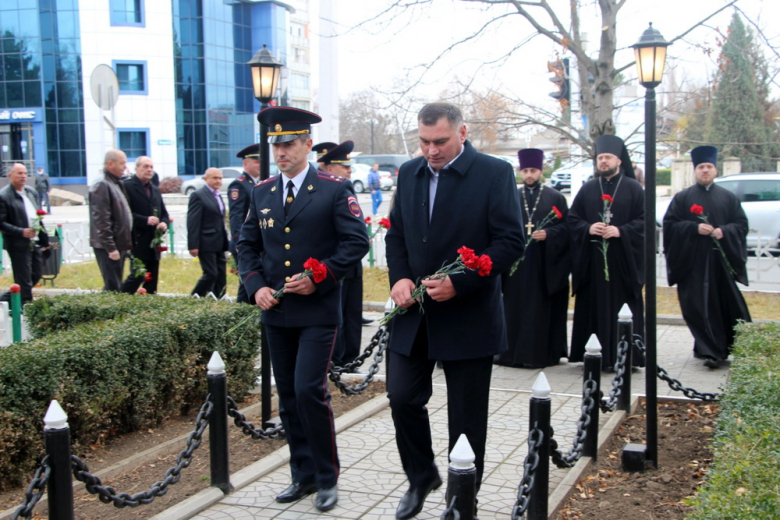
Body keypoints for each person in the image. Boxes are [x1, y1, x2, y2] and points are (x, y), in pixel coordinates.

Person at [385, 102, 524, 519]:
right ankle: (421, 476)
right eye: (424, 142)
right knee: (401, 398)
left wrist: (459, 283)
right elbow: (397, 236)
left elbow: (509, 242)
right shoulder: (409, 173)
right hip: (415, 315)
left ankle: (463, 497)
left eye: (440, 141)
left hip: (468, 317)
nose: (431, 151)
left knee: (465, 416)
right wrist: (399, 277)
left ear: (462, 133)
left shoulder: (494, 173)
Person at [237, 107, 369, 513]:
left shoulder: (332, 189)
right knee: (290, 395)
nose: (281, 152)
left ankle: (328, 477)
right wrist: (256, 286)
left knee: (311, 390)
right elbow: (245, 246)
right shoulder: (261, 192)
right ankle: (302, 474)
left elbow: (356, 243)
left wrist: (322, 275)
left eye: (289, 143)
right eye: (276, 145)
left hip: (317, 311)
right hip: (277, 312)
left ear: (308, 145)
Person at [662, 145, 751, 368]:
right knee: (696, 307)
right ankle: (709, 349)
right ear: (695, 170)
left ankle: (715, 349)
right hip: (693, 264)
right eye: (701, 167)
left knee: (722, 306)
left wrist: (724, 231)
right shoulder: (683, 198)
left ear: (715, 170)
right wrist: (693, 228)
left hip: (720, 264)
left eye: (709, 167)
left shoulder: (728, 198)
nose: (705, 170)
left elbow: (741, 224)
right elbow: (670, 225)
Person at [568, 135, 645, 371]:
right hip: (593, 263)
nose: (603, 162)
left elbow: (645, 221)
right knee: (594, 305)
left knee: (623, 307)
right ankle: (594, 355)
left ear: (619, 161)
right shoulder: (588, 188)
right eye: (600, 158)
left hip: (622, 262)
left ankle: (625, 357)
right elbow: (572, 219)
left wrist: (621, 231)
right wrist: (588, 228)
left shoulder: (633, 188)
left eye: (607, 157)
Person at [496, 148, 570, 368]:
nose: (529, 175)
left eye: (533, 170)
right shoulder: (511, 195)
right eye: (525, 170)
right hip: (515, 265)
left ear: (541, 171)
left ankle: (541, 355)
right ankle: (510, 355)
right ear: (520, 171)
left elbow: (567, 229)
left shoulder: (555, 197)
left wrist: (550, 234)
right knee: (513, 307)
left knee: (538, 309)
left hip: (542, 265)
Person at [320, 140, 364, 369]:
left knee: (352, 315)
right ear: (329, 168)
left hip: (352, 264)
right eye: (343, 166)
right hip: (334, 265)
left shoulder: (344, 188)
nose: (349, 170)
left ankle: (350, 358)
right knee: (337, 317)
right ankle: (335, 359)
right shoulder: (322, 191)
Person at [0, 163, 49, 303]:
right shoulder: (4, 196)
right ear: (10, 175)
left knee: (36, 274)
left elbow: (37, 218)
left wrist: (45, 241)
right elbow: (1, 223)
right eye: (19, 173)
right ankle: (25, 308)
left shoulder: (30, 192)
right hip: (17, 244)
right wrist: (21, 232)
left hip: (35, 242)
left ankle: (8, 299)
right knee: (24, 278)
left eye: (25, 173)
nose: (23, 176)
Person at [120, 156, 169, 294]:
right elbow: (124, 214)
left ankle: (149, 306)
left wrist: (164, 223)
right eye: (145, 166)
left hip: (154, 242)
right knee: (138, 275)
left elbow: (164, 213)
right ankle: (120, 298)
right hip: (137, 240)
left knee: (151, 278)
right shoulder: (127, 186)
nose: (149, 170)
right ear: (136, 169)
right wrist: (144, 220)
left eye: (151, 167)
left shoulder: (155, 189)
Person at [89, 150, 133, 292]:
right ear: (110, 163)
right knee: (113, 286)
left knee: (114, 285)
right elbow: (101, 220)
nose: (125, 167)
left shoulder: (116, 183)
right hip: (108, 246)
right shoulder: (102, 184)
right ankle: (107, 314)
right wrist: (111, 247)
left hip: (118, 244)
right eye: (122, 163)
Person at [228, 143, 262, 303]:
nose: (260, 164)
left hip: (255, 241)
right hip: (244, 241)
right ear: (245, 163)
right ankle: (241, 312)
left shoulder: (257, 183)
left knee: (253, 278)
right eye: (256, 161)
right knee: (247, 281)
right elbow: (236, 216)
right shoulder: (239, 185)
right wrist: (238, 240)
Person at [188, 168, 229, 297]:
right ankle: (195, 296)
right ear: (206, 179)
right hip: (206, 242)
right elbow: (193, 221)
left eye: (220, 178)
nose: (218, 181)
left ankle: (219, 298)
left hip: (219, 242)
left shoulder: (217, 195)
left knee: (221, 274)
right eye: (214, 178)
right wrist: (193, 245)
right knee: (211, 273)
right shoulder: (198, 195)